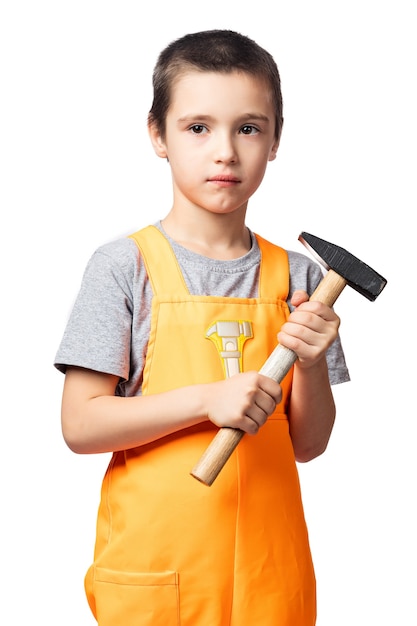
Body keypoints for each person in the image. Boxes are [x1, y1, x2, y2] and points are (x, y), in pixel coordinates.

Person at [55, 29, 350, 626]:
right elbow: (81, 425)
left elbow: (309, 444)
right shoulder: (124, 267)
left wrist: (312, 361)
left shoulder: (300, 278)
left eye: (248, 127)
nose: (225, 151)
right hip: (158, 577)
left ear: (274, 141)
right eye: (197, 127)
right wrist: (206, 400)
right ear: (157, 136)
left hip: (271, 580)